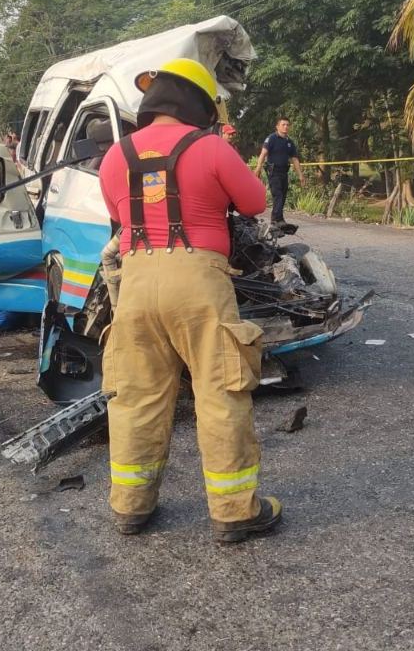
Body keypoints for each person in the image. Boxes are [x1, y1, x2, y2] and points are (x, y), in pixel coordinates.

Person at [98, 57, 279, 543]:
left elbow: (119, 213)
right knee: (220, 394)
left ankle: (131, 506)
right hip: (199, 280)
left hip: (136, 283)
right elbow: (255, 204)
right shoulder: (211, 147)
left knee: (136, 396)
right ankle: (235, 512)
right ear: (199, 102)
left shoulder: (116, 155)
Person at [254, 117, 305, 224]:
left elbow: (295, 159)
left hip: (284, 172)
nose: (286, 127)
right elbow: (263, 154)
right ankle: (277, 219)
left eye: (287, 125)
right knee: (278, 195)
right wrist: (258, 167)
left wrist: (300, 175)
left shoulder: (289, 142)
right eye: (283, 124)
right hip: (273, 171)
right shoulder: (272, 138)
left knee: (283, 194)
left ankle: (278, 218)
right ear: (277, 126)